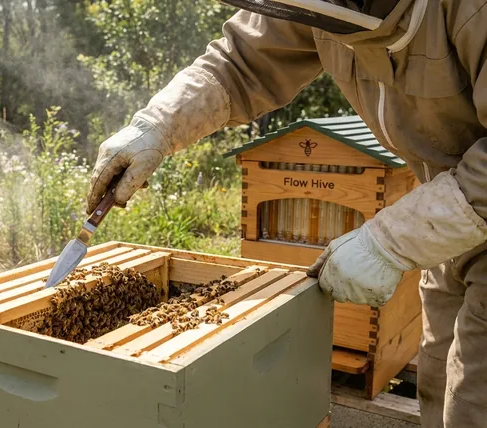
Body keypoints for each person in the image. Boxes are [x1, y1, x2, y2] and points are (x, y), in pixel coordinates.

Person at [84, 0, 487, 426]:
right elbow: (239, 63)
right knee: (439, 381)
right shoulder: (316, 4)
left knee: (473, 404)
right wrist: (157, 126)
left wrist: (394, 239)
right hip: (451, 217)